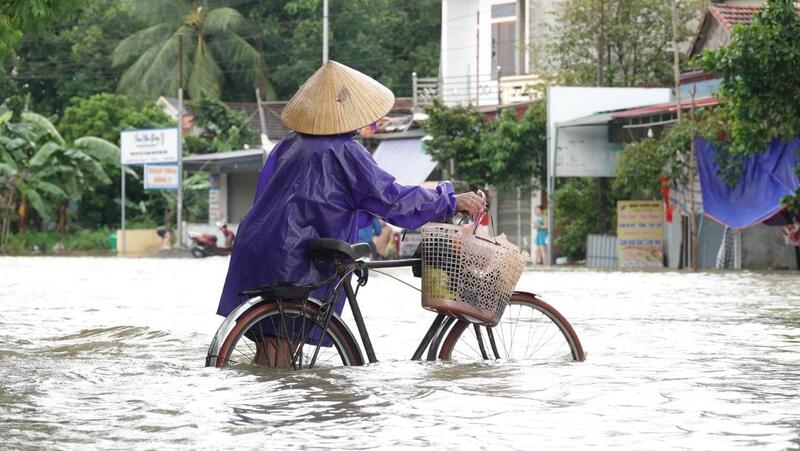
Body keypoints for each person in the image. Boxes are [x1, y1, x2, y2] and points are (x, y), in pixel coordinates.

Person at [217, 61, 483, 366]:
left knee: (270, 352)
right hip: (295, 255)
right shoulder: (344, 151)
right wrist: (448, 199)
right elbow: (393, 200)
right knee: (281, 355)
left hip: (255, 246)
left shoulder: (287, 145)